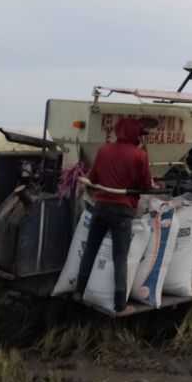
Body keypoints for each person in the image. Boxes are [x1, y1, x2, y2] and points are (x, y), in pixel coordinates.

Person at [75, 117, 153, 315]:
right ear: (135, 134)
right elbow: (145, 186)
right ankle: (120, 304)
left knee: (91, 250)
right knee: (120, 257)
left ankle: (79, 291)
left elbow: (93, 179)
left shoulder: (104, 150)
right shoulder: (139, 155)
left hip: (101, 207)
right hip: (123, 210)